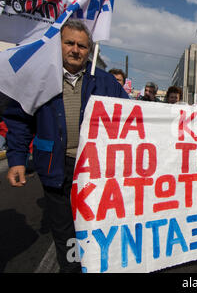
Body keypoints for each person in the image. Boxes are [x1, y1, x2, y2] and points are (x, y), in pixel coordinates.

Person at [3, 20, 129, 273]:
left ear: (88, 50)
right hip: (55, 167)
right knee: (64, 229)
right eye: (69, 43)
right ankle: (71, 270)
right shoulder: (39, 79)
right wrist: (17, 159)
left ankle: (96, 266)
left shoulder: (106, 83)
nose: (75, 50)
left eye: (82, 46)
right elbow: (20, 121)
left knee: (95, 226)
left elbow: (133, 116)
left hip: (95, 170)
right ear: (58, 45)